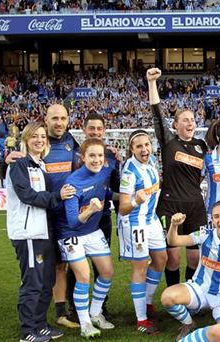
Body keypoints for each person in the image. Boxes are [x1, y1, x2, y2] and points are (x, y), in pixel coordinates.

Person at [5, 104, 82, 328]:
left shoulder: (69, 145)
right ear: (45, 120)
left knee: (64, 267)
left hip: (59, 220)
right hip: (35, 225)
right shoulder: (22, 160)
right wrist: (5, 161)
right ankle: (45, 320)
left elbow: (87, 159)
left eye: (63, 118)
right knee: (42, 274)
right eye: (54, 118)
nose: (59, 122)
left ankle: (55, 317)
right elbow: (22, 188)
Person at [147, 68, 209, 286]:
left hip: (196, 206)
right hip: (169, 205)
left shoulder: (202, 146)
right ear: (175, 125)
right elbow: (156, 112)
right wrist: (152, 82)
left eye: (192, 119)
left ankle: (190, 296)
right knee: (172, 258)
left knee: (194, 257)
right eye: (185, 120)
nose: (190, 123)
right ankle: (173, 297)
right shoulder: (168, 142)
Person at [160, 202, 220, 341]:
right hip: (199, 288)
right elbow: (174, 240)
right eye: (216, 216)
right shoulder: (204, 234)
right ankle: (189, 324)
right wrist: (174, 225)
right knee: (167, 297)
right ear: (212, 220)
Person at [57, 138, 115, 338]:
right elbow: (73, 222)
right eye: (92, 155)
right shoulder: (73, 182)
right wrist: (90, 209)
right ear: (83, 158)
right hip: (71, 233)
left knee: (107, 272)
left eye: (100, 155)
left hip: (92, 232)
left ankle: (96, 312)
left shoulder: (107, 169)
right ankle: (85, 324)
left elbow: (113, 162)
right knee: (83, 276)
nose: (97, 159)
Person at [117, 129, 167, 334]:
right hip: (135, 222)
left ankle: (146, 302)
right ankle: (142, 320)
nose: (144, 149)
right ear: (132, 149)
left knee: (161, 258)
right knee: (140, 268)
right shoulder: (129, 172)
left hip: (151, 220)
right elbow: (123, 207)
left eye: (147, 144)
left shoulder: (152, 160)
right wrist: (136, 200)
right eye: (139, 146)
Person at [79, 112, 121, 317]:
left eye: (99, 128)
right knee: (77, 268)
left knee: (101, 266)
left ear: (104, 131)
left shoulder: (111, 156)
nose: (95, 132)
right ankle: (74, 309)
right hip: (78, 220)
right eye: (91, 128)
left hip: (102, 219)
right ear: (84, 130)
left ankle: (100, 308)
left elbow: (115, 186)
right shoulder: (75, 155)